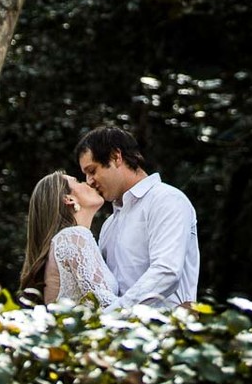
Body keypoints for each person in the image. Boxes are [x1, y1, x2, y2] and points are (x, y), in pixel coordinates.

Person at [75, 125, 199, 307]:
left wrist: (114, 315)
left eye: (92, 171)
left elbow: (166, 271)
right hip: (116, 331)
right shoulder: (110, 224)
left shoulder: (167, 200)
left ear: (116, 157)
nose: (89, 181)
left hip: (164, 330)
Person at [19, 170, 117, 305]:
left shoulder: (67, 240)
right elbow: (104, 302)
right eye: (77, 181)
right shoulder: (72, 237)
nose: (87, 182)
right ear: (69, 199)